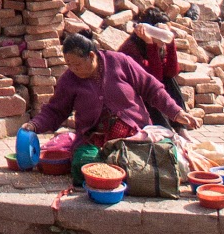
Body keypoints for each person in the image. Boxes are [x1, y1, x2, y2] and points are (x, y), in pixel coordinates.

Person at [26, 31, 200, 166]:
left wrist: (177, 113)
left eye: (77, 64)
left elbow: (152, 88)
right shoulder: (69, 80)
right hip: (94, 141)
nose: (72, 69)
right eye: (69, 64)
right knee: (84, 164)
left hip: (135, 135)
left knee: (155, 159)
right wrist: (35, 125)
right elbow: (55, 110)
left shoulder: (119, 62)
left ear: (92, 56)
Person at [120, 21, 185, 107]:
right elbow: (155, 79)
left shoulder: (159, 45)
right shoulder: (131, 49)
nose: (163, 38)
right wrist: (150, 44)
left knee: (170, 82)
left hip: (150, 87)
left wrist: (171, 43)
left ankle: (179, 116)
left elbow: (171, 72)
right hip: (135, 93)